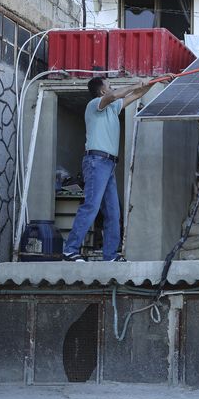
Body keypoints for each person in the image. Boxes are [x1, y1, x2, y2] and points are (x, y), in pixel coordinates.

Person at [62, 76, 158, 262]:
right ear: (102, 91)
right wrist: (134, 84)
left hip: (108, 164)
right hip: (96, 161)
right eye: (109, 85)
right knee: (91, 206)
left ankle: (110, 256)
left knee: (113, 212)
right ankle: (70, 250)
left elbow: (136, 94)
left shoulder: (113, 108)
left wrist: (153, 82)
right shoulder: (95, 104)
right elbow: (115, 95)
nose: (112, 88)